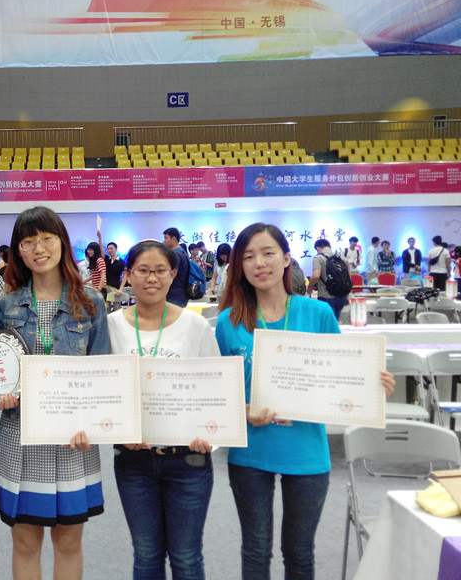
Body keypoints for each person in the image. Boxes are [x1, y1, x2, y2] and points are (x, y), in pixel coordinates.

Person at [214, 223, 394, 580]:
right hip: (250, 453)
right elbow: (220, 395)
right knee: (255, 551)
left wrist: (369, 385)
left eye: (268, 253)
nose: (259, 263)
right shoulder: (228, 322)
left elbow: (338, 376)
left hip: (307, 450)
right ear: (239, 266)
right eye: (248, 256)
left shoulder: (319, 314)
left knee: (299, 553)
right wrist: (241, 411)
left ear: (286, 259)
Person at [0, 206, 109, 580]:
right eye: (28, 241)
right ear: (18, 251)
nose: (39, 248)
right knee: (25, 543)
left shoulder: (91, 302)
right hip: (20, 435)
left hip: (73, 438)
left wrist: (95, 425)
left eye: (47, 238)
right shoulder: (6, 305)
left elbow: (103, 374)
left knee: (68, 542)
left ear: (62, 242)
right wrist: (0, 393)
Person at [108, 239, 219, 579]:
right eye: (143, 270)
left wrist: (210, 437)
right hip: (134, 461)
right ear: (129, 275)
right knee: (146, 555)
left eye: (160, 270)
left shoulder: (195, 326)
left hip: (188, 460)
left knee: (186, 558)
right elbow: (104, 392)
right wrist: (116, 431)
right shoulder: (110, 326)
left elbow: (215, 389)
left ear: (173, 275)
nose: (151, 278)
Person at [308, 238, 348, 320]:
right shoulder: (342, 258)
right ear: (329, 246)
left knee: (325, 323)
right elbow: (348, 278)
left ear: (317, 248)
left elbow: (316, 276)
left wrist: (309, 287)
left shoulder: (318, 258)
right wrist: (348, 295)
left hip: (326, 296)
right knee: (335, 321)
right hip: (342, 295)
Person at [162, 227, 190, 307]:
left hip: (174, 295)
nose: (164, 240)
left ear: (174, 239)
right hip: (181, 294)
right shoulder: (183, 252)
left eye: (166, 238)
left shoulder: (175, 254)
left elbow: (173, 274)